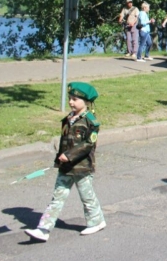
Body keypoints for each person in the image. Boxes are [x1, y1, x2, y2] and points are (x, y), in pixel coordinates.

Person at [24, 82, 106, 241]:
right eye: (70, 98)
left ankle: (96, 221)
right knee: (57, 197)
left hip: (82, 168)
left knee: (87, 197)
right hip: (66, 167)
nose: (71, 102)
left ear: (86, 101)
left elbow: (89, 144)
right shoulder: (68, 119)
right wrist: (59, 159)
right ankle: (44, 229)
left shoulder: (90, 121)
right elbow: (64, 142)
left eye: (75, 99)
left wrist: (69, 155)